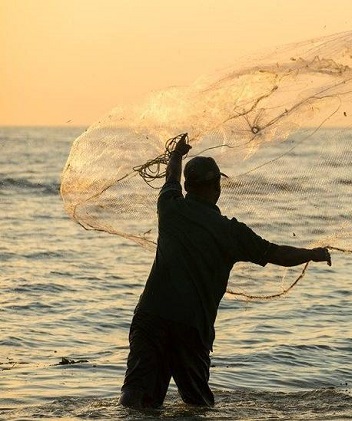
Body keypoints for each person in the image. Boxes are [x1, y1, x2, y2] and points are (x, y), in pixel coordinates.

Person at [119, 135, 331, 409]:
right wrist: (312, 254)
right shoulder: (231, 233)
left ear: (187, 186)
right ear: (217, 188)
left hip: (151, 318)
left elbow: (170, 177)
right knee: (198, 405)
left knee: (136, 397)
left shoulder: (169, 207)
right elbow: (277, 254)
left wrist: (177, 154)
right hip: (191, 327)